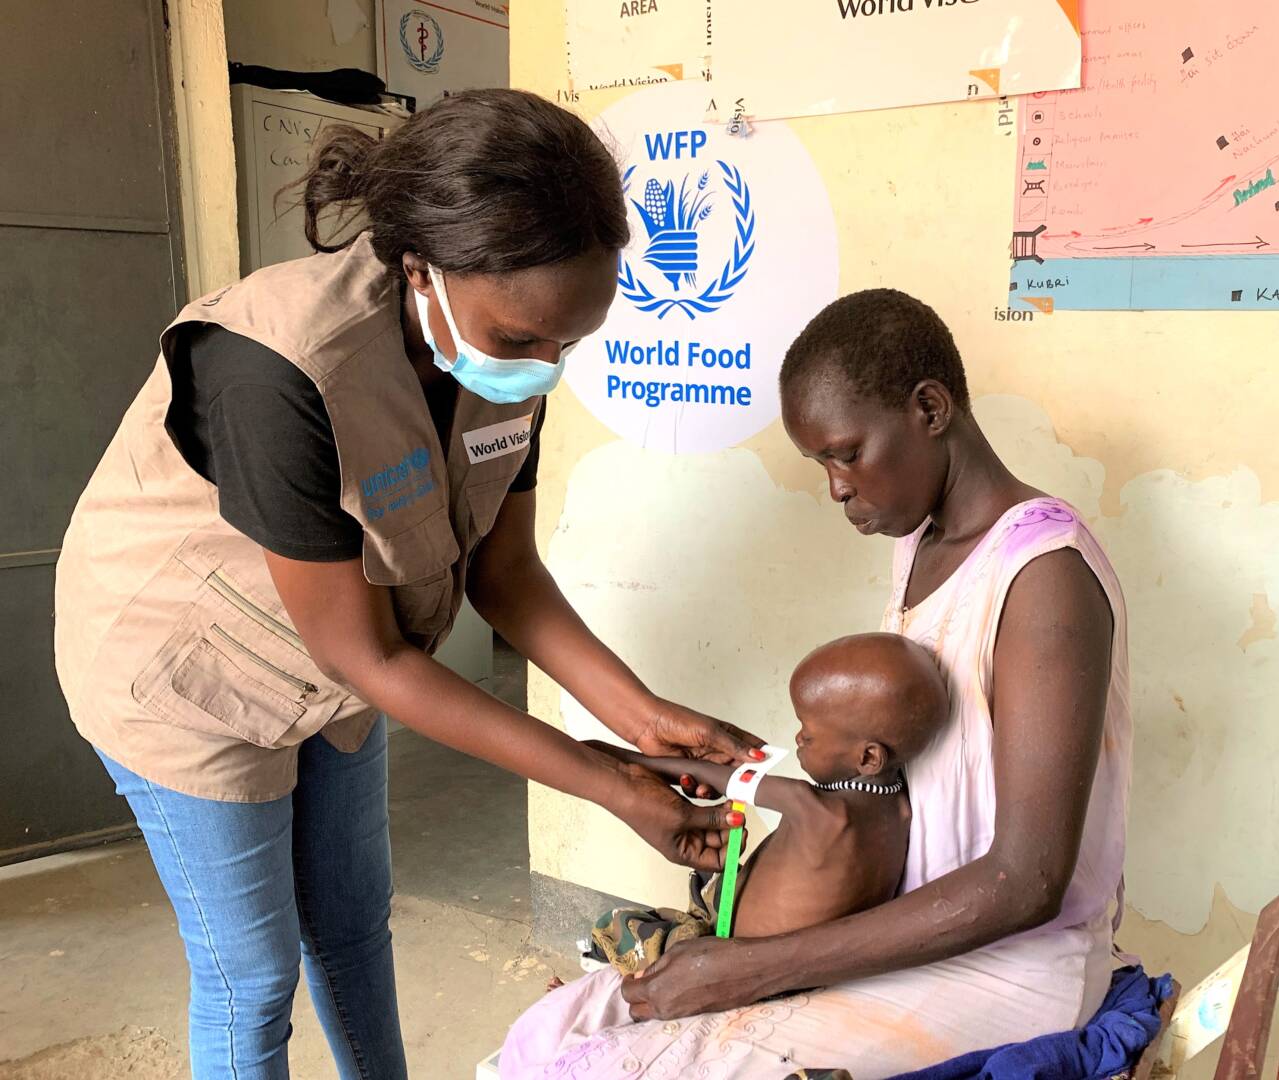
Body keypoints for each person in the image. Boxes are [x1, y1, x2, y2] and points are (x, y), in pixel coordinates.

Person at [52, 89, 762, 1080]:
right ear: (423, 264)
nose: (546, 367)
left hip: (339, 662)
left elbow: (503, 574)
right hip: (183, 673)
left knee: (350, 926)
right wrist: (605, 784)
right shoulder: (277, 368)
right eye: (522, 340)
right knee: (250, 977)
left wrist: (640, 719)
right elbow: (365, 652)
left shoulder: (513, 341)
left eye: (571, 343)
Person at [497, 289, 1131, 1078]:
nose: (835, 487)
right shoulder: (926, 545)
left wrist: (757, 966)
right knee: (551, 1032)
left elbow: (1025, 880)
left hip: (1007, 966)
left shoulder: (1043, 579)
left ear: (929, 408)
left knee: (596, 1070)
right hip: (907, 925)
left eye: (846, 453)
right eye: (821, 462)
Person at [564, 632, 948, 979]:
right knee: (700, 888)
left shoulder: (813, 808)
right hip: (796, 966)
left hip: (729, 958)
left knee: (619, 926)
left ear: (868, 758)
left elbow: (722, 778)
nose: (797, 737)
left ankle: (599, 972)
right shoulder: (899, 806)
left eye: (808, 733)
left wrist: (626, 763)